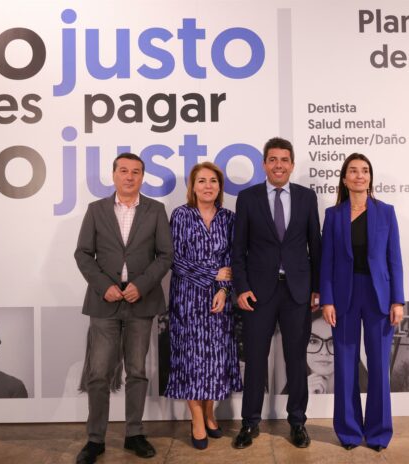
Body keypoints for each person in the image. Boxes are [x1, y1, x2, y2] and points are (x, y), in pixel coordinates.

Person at [74, 152, 173, 464]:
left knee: (137, 372)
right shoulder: (96, 210)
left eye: (136, 172)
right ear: (114, 174)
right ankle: (95, 439)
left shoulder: (156, 210)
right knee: (98, 373)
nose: (130, 176)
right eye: (124, 171)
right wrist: (104, 286)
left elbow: (166, 255)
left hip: (141, 301)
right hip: (104, 302)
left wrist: (140, 285)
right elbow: (83, 254)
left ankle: (134, 434)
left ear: (142, 177)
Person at [231, 137, 321, 449]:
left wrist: (317, 288)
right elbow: (238, 249)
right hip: (258, 293)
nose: (278, 165)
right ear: (264, 164)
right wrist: (241, 288)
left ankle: (297, 422)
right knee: (256, 359)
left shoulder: (307, 197)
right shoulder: (248, 198)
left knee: (296, 359)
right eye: (273, 159)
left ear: (292, 165)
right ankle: (249, 423)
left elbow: (315, 245)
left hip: (297, 291)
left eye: (284, 160)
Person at [321, 153, 404, 452]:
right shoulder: (333, 215)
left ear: (370, 177)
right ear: (344, 179)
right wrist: (327, 299)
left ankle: (379, 433)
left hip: (378, 296)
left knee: (379, 366)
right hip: (344, 296)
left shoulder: (386, 212)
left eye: (365, 171)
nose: (359, 176)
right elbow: (327, 261)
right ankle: (349, 432)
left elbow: (394, 259)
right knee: (345, 365)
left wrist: (398, 300)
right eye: (353, 171)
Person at [165, 162, 242, 450]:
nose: (208, 185)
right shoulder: (181, 215)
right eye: (202, 181)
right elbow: (174, 259)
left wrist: (223, 289)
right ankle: (196, 418)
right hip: (187, 299)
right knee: (191, 361)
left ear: (220, 187)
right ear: (193, 187)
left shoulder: (229, 218)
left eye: (213, 181)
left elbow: (232, 261)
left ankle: (210, 412)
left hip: (219, 301)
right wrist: (211, 274)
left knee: (214, 361)